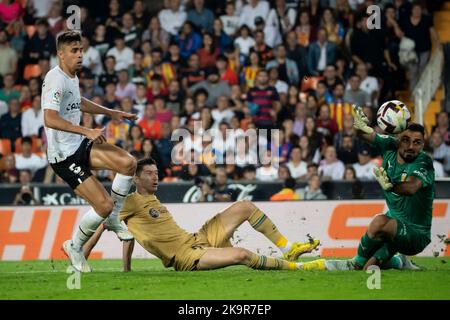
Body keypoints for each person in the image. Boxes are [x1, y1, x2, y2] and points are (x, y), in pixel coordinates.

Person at [119, 157, 325, 272]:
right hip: (186, 256)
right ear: (135, 179)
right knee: (241, 254)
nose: (155, 177)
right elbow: (106, 222)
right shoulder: (129, 202)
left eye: (156, 173)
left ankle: (288, 248)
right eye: (149, 173)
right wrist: (121, 267)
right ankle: (297, 268)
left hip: (197, 239)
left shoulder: (152, 199)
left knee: (245, 206)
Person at [42, 31, 136, 273]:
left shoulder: (71, 77)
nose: (80, 54)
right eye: (74, 51)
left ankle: (114, 217)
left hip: (79, 144)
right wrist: (86, 131)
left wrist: (111, 112)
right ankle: (74, 246)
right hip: (64, 156)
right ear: (60, 54)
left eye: (81, 50)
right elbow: (50, 118)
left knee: (128, 163)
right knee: (102, 206)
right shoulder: (55, 79)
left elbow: (79, 102)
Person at [327, 106, 434, 271]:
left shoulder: (423, 161)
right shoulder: (389, 145)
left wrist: (392, 186)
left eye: (417, 142)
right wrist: (358, 128)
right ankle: (401, 263)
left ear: (422, 145)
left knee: (379, 221)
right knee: (369, 267)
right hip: (396, 223)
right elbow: (365, 135)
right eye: (406, 140)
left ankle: (354, 262)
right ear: (398, 138)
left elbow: (412, 187)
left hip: (415, 234)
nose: (411, 146)